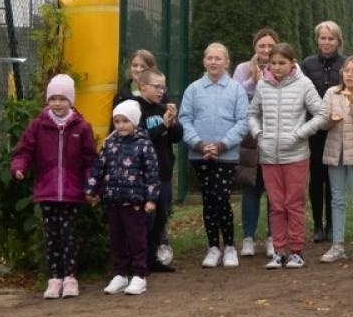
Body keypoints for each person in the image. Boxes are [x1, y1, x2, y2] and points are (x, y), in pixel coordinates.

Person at [11, 73, 97, 299]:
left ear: (71, 101)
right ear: (48, 101)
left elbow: (90, 159)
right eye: (53, 98)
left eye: (62, 98)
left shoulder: (82, 127)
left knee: (68, 234)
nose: (57, 103)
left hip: (71, 192)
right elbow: (24, 150)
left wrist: (91, 184)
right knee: (51, 236)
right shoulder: (38, 126)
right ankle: (54, 278)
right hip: (47, 191)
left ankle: (70, 278)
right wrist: (20, 166)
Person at [248, 41, 326, 269]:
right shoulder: (263, 84)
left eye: (282, 63)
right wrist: (259, 134)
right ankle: (279, 252)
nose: (277, 67)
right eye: (273, 63)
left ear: (292, 63)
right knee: (276, 204)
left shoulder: (304, 84)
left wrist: (299, 134)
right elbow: (252, 113)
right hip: (269, 156)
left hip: (296, 155)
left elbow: (321, 114)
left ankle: (296, 251)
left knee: (294, 203)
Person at [180, 43, 249, 267]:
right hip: (199, 155)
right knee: (208, 201)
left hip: (226, 155)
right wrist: (199, 145)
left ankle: (229, 246)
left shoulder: (236, 90)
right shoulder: (193, 89)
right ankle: (212, 247)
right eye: (209, 58)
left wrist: (221, 145)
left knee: (222, 198)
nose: (213, 62)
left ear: (227, 62)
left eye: (218, 58)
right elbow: (185, 119)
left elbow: (242, 122)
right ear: (204, 61)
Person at [85, 100, 160, 296]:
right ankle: (120, 273)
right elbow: (98, 168)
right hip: (113, 200)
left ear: (134, 122)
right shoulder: (109, 144)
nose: (121, 125)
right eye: (117, 121)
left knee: (136, 238)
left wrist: (151, 198)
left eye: (125, 121)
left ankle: (139, 275)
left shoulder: (144, 144)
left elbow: (152, 172)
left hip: (135, 201)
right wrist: (91, 190)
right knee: (117, 238)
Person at [320, 55, 353, 263]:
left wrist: (352, 104)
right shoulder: (332, 92)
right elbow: (322, 121)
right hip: (335, 153)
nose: (349, 74)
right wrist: (328, 121)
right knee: (337, 200)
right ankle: (337, 245)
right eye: (347, 70)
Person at [301, 21, 347, 248]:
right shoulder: (307, 64)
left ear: (338, 40)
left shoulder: (344, 63)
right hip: (315, 128)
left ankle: (332, 224)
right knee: (316, 177)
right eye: (322, 38)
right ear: (317, 40)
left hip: (338, 128)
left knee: (333, 178)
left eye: (331, 38)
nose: (326, 42)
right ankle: (318, 224)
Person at [233, 28, 278, 258]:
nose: (266, 50)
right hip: (250, 137)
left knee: (272, 189)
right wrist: (253, 81)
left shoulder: (281, 66)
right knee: (250, 188)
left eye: (270, 46)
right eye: (262, 46)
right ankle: (248, 237)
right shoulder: (242, 69)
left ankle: (273, 237)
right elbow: (236, 95)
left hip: (273, 134)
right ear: (255, 48)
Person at [135, 68, 183, 273]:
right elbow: (140, 137)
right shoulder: (136, 109)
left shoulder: (162, 108)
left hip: (163, 171)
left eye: (163, 87)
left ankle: (153, 258)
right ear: (143, 86)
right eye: (157, 86)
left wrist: (172, 123)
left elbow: (177, 137)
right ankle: (140, 259)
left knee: (162, 215)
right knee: (147, 217)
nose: (161, 91)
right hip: (143, 175)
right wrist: (162, 126)